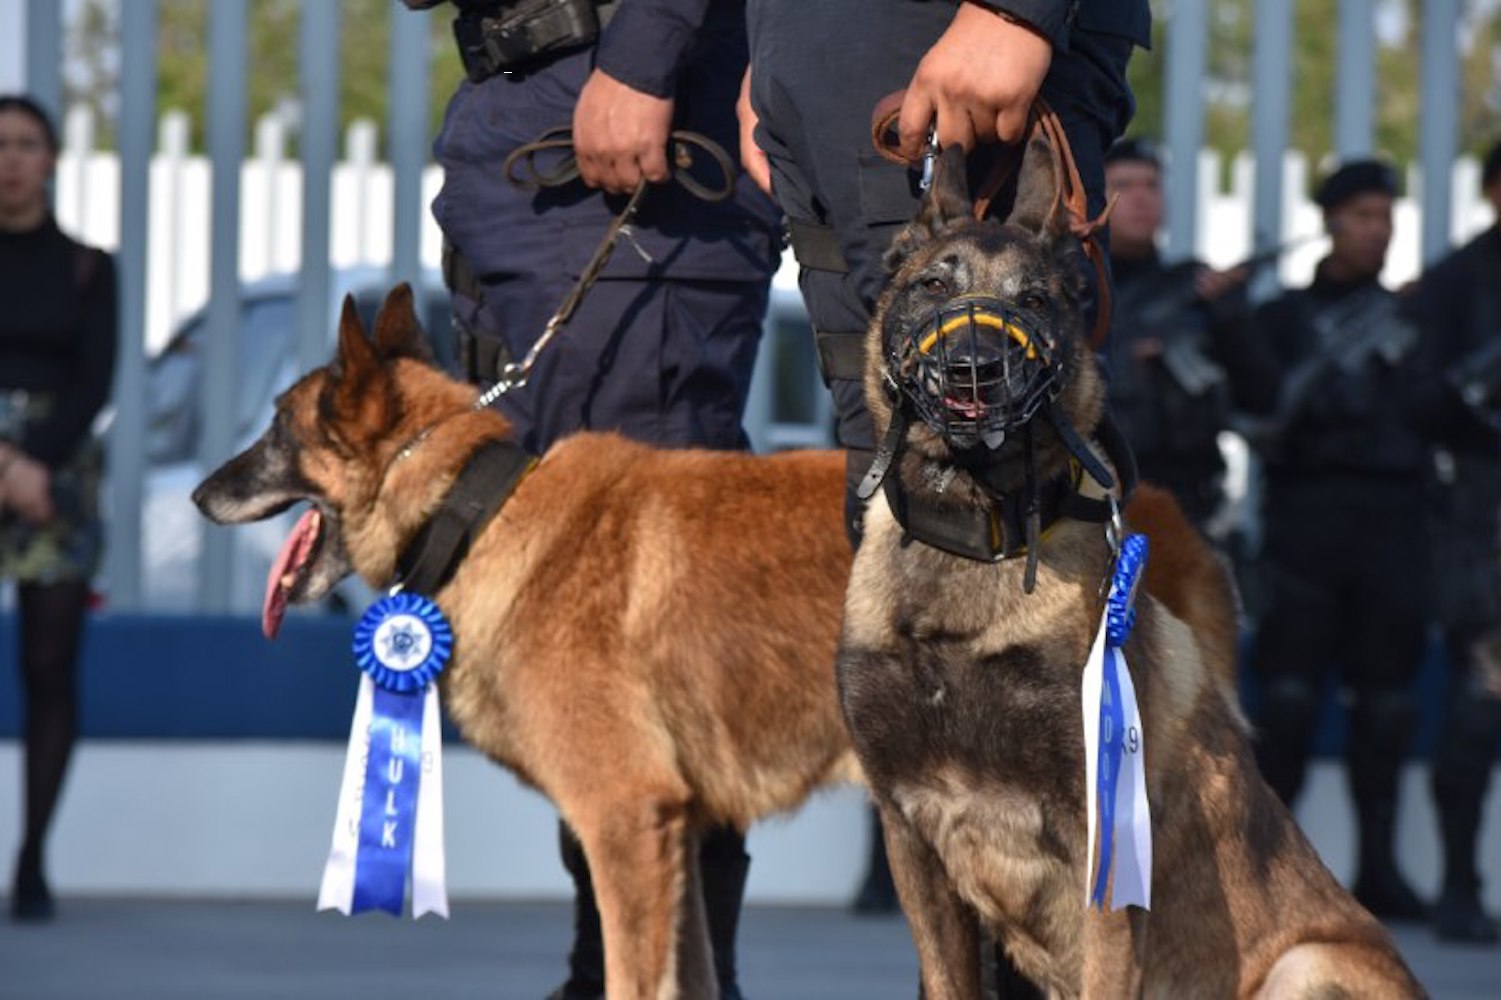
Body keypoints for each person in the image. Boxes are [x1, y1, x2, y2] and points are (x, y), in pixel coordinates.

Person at [738, 0, 1148, 979]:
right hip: (821, 56)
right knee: (879, 422)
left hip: (947, 36)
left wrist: (1017, 11)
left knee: (1008, 418)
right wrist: (769, 49)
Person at [406, 2, 781, 997]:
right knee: (557, 612)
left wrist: (645, 58)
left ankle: (663, 975)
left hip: (624, 98)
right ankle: (622, 965)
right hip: (519, 106)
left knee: (631, 608)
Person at [1234, 159, 1430, 921]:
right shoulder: (1281, 317)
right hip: (1304, 523)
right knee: (1285, 704)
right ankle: (1271, 873)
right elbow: (1255, 403)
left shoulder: (1411, 318)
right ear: (1329, 221)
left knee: (1386, 707)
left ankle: (1379, 870)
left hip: (1393, 523)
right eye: (1360, 216)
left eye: (1384, 217)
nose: (1375, 231)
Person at [0, 94, 118, 922]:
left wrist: (32, 464)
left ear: (51, 160)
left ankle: (33, 855)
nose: (9, 159)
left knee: (49, 669)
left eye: (26, 144)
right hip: (14, 461)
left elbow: (94, 378)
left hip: (57, 477)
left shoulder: (87, 266)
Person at [1401, 138, 1501, 944]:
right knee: (1478, 705)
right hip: (1483, 510)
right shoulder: (1457, 282)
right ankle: (1461, 885)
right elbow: (1419, 397)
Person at [1103, 137, 1257, 534]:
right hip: (1097, 497)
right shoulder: (1073, 290)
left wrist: (1230, 320)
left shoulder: (1196, 288)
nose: (1141, 198)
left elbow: (1260, 392)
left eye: (1152, 185)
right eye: (1123, 186)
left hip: (1183, 501)